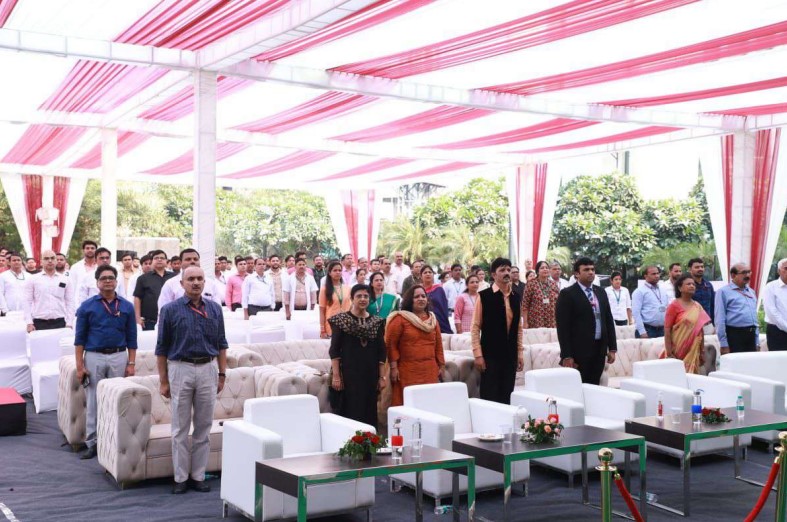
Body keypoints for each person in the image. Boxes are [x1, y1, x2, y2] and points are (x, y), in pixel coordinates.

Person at [156, 266, 227, 494]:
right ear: (182, 283)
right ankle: (180, 478)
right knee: (180, 427)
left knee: (204, 426)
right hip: (180, 368)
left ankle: (198, 475)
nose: (196, 283)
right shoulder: (169, 310)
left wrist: (222, 374)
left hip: (208, 368)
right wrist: (163, 381)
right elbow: (161, 348)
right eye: (191, 279)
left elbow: (222, 344)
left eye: (199, 279)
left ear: (205, 282)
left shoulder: (215, 309)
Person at [74, 265, 137, 460]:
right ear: (97, 283)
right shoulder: (87, 306)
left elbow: (132, 337)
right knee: (94, 400)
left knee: (118, 399)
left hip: (119, 356)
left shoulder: (127, 306)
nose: (108, 281)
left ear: (116, 281)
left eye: (111, 278)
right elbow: (79, 339)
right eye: (103, 278)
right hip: (94, 356)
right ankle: (92, 442)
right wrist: (80, 366)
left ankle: (115, 441)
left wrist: (131, 363)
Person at [329, 284, 386, 429]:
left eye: (366, 296)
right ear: (352, 298)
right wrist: (336, 376)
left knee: (369, 410)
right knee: (350, 410)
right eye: (359, 296)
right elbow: (334, 350)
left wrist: (382, 377)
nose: (363, 299)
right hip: (349, 374)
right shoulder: (341, 321)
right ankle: (350, 442)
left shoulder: (377, 322)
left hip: (370, 375)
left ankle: (369, 442)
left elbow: (381, 351)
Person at [556, 257, 617, 385]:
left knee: (595, 385)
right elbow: (563, 327)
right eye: (586, 270)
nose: (591, 272)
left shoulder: (601, 292)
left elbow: (608, 320)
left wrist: (612, 348)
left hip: (599, 349)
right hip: (579, 350)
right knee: (580, 386)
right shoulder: (568, 294)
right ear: (577, 274)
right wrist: (567, 355)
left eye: (592, 269)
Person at [471, 258, 523, 403]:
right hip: (490, 355)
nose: (507, 273)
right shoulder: (484, 296)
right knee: (490, 395)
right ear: (493, 274)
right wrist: (478, 355)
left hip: (510, 355)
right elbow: (475, 327)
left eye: (508, 270)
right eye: (502, 270)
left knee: (507, 395)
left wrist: (520, 353)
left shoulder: (516, 297)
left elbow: (518, 328)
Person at [386, 285, 445, 406]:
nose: (421, 299)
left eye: (423, 296)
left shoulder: (433, 320)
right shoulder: (400, 319)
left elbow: (438, 345)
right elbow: (390, 344)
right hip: (407, 371)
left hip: (430, 370)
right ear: (409, 300)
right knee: (407, 404)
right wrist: (393, 368)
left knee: (429, 403)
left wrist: (441, 365)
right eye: (416, 296)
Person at [662, 274, 710, 374]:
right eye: (688, 284)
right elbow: (667, 330)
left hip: (693, 349)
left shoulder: (697, 306)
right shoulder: (674, 305)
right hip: (677, 349)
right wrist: (669, 353)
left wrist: (702, 351)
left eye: (693, 284)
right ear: (680, 288)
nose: (692, 286)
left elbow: (700, 330)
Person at [24, 250, 75, 332]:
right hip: (39, 322)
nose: (50, 261)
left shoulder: (65, 279)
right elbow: (27, 302)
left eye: (52, 258)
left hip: (60, 322)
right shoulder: (33, 279)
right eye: (46, 258)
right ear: (41, 262)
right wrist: (29, 322)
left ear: (56, 261)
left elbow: (70, 302)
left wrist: (69, 323)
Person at [715, 263, 759, 354]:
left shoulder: (751, 292)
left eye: (749, 272)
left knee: (751, 362)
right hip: (735, 335)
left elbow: (754, 317)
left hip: (751, 335)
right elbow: (720, 318)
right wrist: (723, 343)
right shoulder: (723, 292)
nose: (747, 275)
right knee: (736, 362)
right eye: (744, 272)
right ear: (733, 275)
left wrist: (757, 340)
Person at [158, 249, 223, 309]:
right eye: (188, 259)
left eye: (195, 259)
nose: (192, 261)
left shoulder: (211, 284)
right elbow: (163, 309)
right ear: (180, 263)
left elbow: (217, 309)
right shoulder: (170, 284)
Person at [133, 250, 174, 330]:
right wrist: (137, 318)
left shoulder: (174, 277)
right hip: (149, 321)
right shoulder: (143, 278)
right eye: (156, 258)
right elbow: (137, 298)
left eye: (162, 258)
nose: (159, 260)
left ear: (166, 261)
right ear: (152, 261)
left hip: (172, 320)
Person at [631, 266, 669, 339]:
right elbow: (636, 313)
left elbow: (667, 308)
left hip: (662, 330)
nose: (657, 276)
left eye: (658, 273)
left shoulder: (663, 290)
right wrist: (642, 331)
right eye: (653, 274)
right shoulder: (639, 291)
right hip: (648, 330)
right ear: (645, 276)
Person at [522, 260, 559, 329]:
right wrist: (525, 322)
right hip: (536, 320)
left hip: (551, 320)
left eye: (547, 268)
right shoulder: (531, 284)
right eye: (542, 268)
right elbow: (525, 305)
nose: (545, 269)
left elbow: (558, 303)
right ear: (537, 271)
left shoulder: (553, 284)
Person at [319, 261, 351, 338]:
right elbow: (322, 311)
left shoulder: (347, 288)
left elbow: (351, 307)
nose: (338, 272)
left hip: (346, 324)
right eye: (335, 270)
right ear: (330, 273)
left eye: (340, 270)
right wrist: (322, 329)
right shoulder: (325, 289)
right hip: (331, 324)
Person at [419, 265, 452, 334]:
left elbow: (444, 308)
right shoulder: (418, 290)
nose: (428, 274)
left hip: (439, 321)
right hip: (422, 322)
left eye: (430, 272)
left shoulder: (439, 289)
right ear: (421, 276)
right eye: (425, 272)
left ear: (433, 275)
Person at [763, 258, 787, 351]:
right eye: (786, 268)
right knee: (780, 358)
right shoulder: (771, 287)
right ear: (779, 271)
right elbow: (772, 313)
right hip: (777, 332)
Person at [688, 257, 715, 328]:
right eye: (697, 267)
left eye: (702, 267)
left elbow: (713, 305)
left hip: (708, 323)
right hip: (692, 324)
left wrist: (714, 323)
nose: (700, 269)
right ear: (690, 269)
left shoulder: (708, 285)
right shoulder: (686, 285)